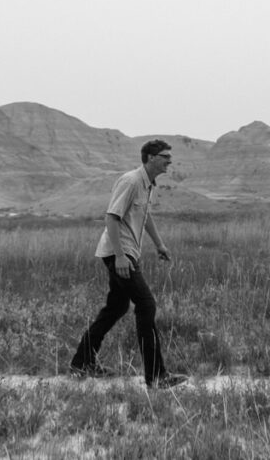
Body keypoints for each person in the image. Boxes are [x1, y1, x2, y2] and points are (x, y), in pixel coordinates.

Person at [70, 139, 188, 389]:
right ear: (151, 157)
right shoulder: (131, 181)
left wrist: (159, 244)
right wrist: (121, 256)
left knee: (116, 308)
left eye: (169, 156)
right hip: (119, 254)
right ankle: (156, 377)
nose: (170, 160)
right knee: (146, 305)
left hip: (127, 254)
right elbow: (111, 218)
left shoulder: (147, 185)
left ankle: (82, 363)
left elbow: (145, 216)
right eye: (165, 156)